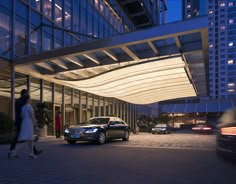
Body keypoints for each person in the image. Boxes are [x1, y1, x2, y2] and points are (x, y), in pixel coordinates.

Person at [8, 89, 42, 159]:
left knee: (28, 138)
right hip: (23, 122)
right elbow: (30, 115)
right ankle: (12, 151)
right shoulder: (22, 103)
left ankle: (32, 152)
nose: (28, 96)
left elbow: (21, 113)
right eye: (27, 94)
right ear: (24, 94)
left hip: (22, 121)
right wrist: (35, 125)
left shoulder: (20, 102)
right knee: (21, 137)